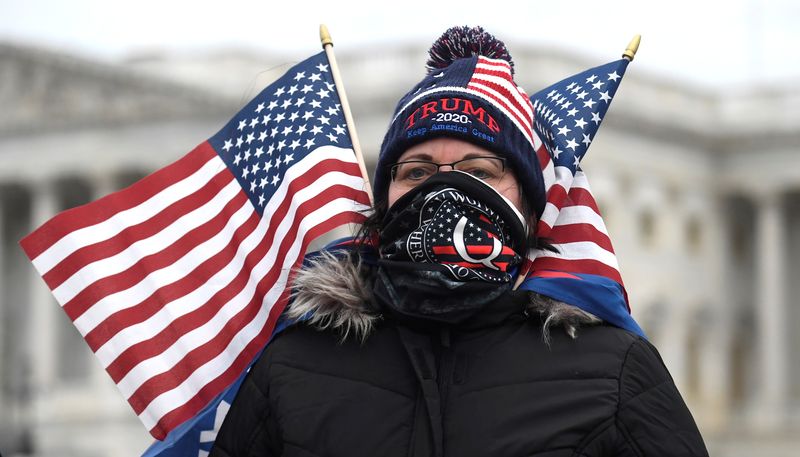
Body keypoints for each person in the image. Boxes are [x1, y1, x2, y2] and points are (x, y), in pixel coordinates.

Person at [210, 26, 709, 457]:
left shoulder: (615, 373)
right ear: (382, 198)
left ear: (530, 204)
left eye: (480, 172)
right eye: (417, 171)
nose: (443, 189)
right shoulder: (293, 366)